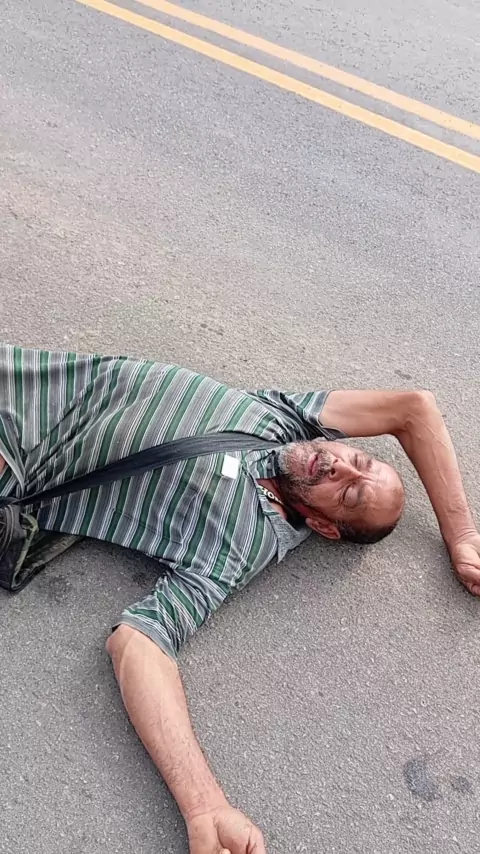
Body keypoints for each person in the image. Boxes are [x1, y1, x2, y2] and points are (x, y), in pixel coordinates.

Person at [1, 343, 479, 854]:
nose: (339, 467)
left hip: (19, 459)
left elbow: (140, 644)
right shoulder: (288, 419)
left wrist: (205, 806)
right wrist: (463, 535)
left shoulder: (241, 544)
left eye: (349, 493)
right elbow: (413, 409)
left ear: (323, 526)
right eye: (357, 459)